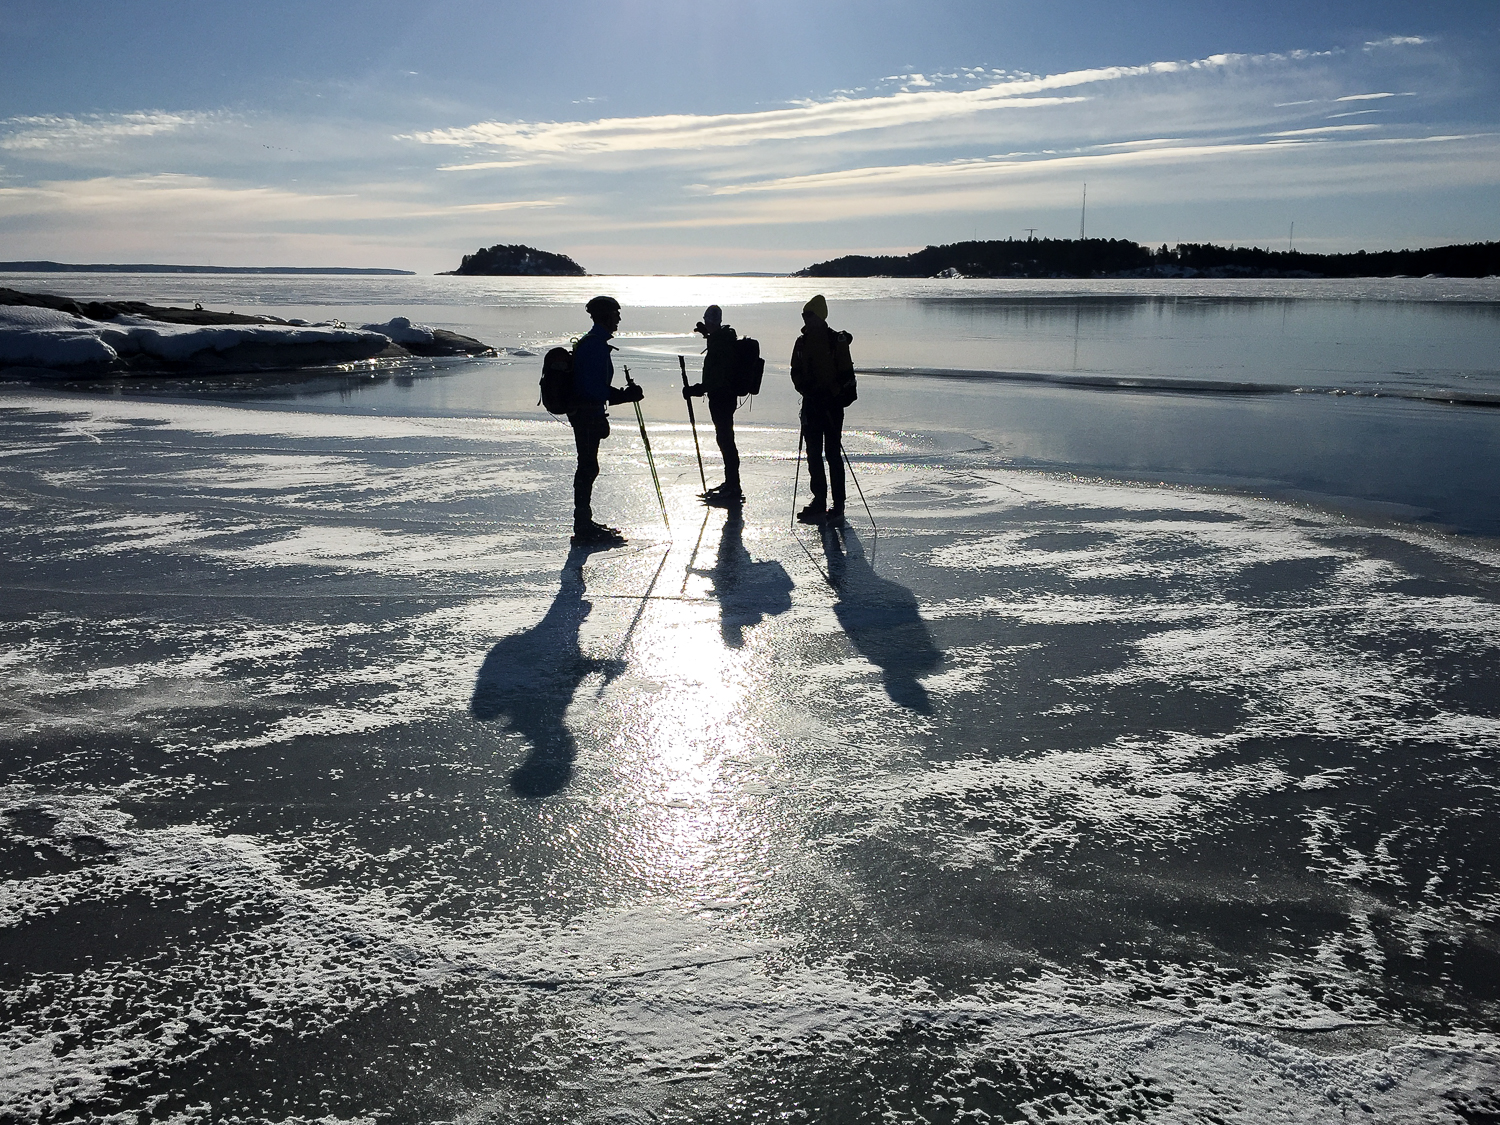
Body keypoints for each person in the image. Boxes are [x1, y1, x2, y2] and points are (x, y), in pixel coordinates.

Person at [568, 294, 644, 547]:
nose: (618, 319)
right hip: (587, 415)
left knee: (588, 466)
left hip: (587, 414)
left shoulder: (594, 343)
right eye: (616, 314)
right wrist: (624, 396)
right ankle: (582, 527)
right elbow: (593, 389)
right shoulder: (594, 346)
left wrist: (622, 395)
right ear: (605, 316)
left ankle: (584, 523)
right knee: (587, 467)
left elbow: (595, 386)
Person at [789, 293, 856, 524]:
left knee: (833, 454)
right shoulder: (802, 342)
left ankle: (838, 504)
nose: (805, 319)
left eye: (809, 315)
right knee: (813, 454)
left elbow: (847, 375)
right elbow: (795, 371)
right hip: (811, 404)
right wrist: (805, 388)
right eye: (804, 315)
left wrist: (832, 395)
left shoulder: (835, 341)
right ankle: (819, 500)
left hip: (831, 407)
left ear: (820, 316)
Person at [681, 304, 742, 505]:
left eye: (708, 321)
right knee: (724, 439)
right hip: (723, 397)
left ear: (711, 321)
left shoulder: (721, 344)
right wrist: (706, 333)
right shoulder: (721, 338)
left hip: (722, 397)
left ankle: (733, 486)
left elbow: (716, 377)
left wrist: (696, 390)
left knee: (726, 440)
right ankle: (731, 482)